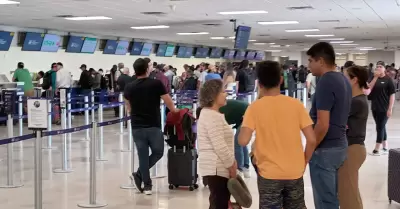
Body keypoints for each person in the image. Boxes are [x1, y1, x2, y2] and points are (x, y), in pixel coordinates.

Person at [238, 60, 316, 209]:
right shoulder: (296, 105)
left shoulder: (254, 108)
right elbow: (312, 140)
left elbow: (243, 140)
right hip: (294, 171)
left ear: (259, 83)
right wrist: (304, 161)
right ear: (281, 80)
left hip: (269, 173)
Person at [307, 42, 352, 209]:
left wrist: (309, 150)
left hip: (325, 149)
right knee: (332, 197)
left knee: (325, 201)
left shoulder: (326, 81)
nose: (308, 65)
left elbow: (322, 124)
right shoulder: (343, 79)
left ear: (320, 61)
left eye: (311, 60)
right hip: (340, 145)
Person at [124, 58, 177, 195]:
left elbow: (128, 108)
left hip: (136, 126)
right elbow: (168, 101)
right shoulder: (156, 84)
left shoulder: (129, 87)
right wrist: (176, 113)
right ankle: (144, 181)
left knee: (143, 155)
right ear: (147, 69)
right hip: (153, 124)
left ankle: (142, 179)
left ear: (135, 71)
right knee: (158, 152)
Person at [197, 79, 236, 209]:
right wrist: (231, 165)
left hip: (216, 168)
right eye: (223, 91)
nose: (226, 94)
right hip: (217, 168)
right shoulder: (212, 116)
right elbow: (219, 145)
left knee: (217, 202)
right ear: (214, 95)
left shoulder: (209, 113)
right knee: (219, 203)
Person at [338, 65, 369, 209]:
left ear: (354, 80)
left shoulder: (357, 102)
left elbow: (335, 118)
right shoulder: (354, 99)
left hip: (353, 149)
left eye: (345, 77)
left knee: (348, 193)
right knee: (348, 191)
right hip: (351, 148)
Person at [365, 61, 396, 155]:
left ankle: (377, 148)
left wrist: (390, 108)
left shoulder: (388, 80)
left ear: (384, 69)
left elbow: (392, 95)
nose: (378, 68)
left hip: (384, 107)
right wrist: (375, 77)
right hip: (375, 107)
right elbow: (368, 89)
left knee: (380, 127)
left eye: (380, 67)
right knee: (381, 126)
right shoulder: (374, 79)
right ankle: (385, 146)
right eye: (377, 67)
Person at [219, 99, 250, 178]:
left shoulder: (218, 111)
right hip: (247, 114)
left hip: (247, 116)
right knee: (242, 143)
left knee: (237, 143)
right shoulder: (220, 107)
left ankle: (239, 169)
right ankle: (245, 168)